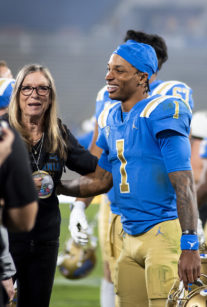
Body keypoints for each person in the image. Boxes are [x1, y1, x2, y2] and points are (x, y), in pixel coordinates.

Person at [58, 40, 200, 307]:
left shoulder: (162, 111)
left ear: (142, 77)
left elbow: (184, 183)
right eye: (109, 69)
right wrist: (55, 187)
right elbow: (101, 179)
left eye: (119, 70)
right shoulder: (111, 117)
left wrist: (190, 243)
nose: (108, 76)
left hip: (163, 233)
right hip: (128, 234)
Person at [7, 63, 98, 307]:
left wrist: (61, 188)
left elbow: (97, 171)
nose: (34, 95)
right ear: (17, 94)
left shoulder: (58, 132)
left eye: (41, 88)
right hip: (7, 241)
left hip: (45, 242)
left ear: (50, 95)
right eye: (26, 88)